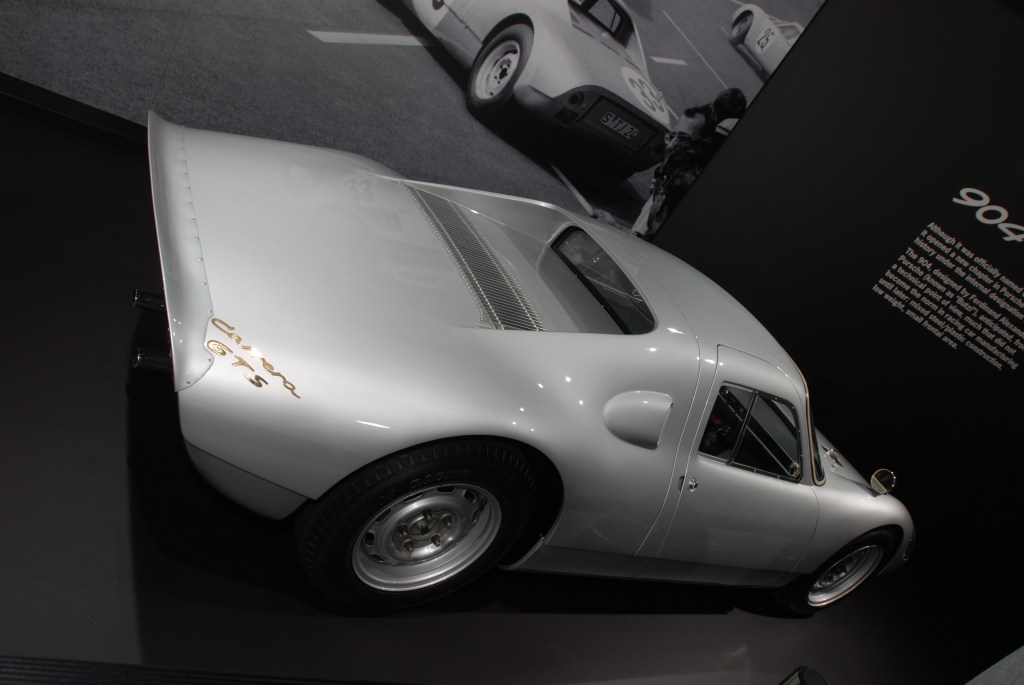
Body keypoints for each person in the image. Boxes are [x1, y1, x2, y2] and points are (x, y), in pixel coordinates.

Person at [633, 87, 748, 239]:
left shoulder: (709, 123)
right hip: (667, 189)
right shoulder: (699, 120)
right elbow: (671, 152)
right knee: (641, 233)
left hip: (673, 188)